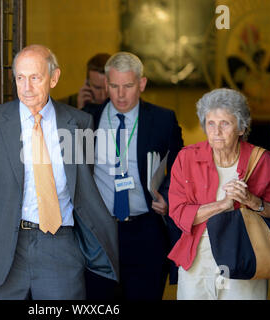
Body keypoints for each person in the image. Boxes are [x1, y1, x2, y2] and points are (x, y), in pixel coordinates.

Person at [0, 44, 119, 300]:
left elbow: (85, 190)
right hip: (1, 249)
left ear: (54, 78)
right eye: (20, 78)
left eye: (35, 78)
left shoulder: (80, 124)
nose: (26, 87)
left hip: (60, 248)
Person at [83, 51, 183, 300]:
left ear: (142, 83)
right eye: (114, 86)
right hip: (100, 234)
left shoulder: (162, 119)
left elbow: (182, 169)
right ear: (106, 84)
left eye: (128, 86)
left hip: (145, 233)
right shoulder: (86, 119)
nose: (120, 94)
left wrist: (169, 196)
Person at [168, 88, 270, 300]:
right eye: (210, 124)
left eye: (224, 124)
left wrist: (252, 201)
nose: (216, 132)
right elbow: (179, 214)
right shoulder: (186, 158)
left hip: (244, 257)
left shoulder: (261, 161)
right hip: (198, 260)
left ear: (241, 128)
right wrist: (223, 204)